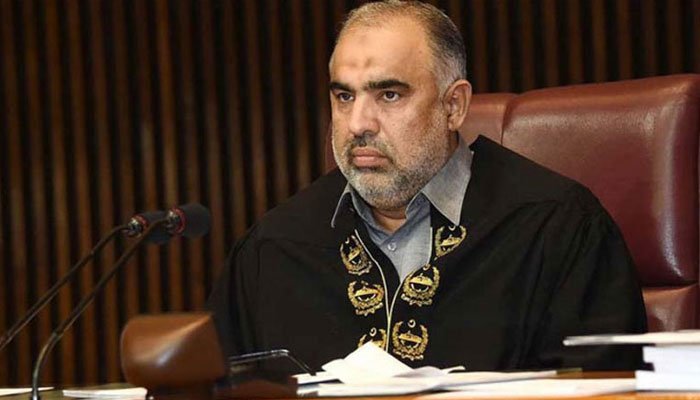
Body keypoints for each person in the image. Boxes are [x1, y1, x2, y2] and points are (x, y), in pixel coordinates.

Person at [208, 0, 646, 372]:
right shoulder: (272, 249)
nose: (358, 124)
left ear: (453, 106)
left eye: (389, 95)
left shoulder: (559, 229)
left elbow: (601, 390)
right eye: (344, 97)